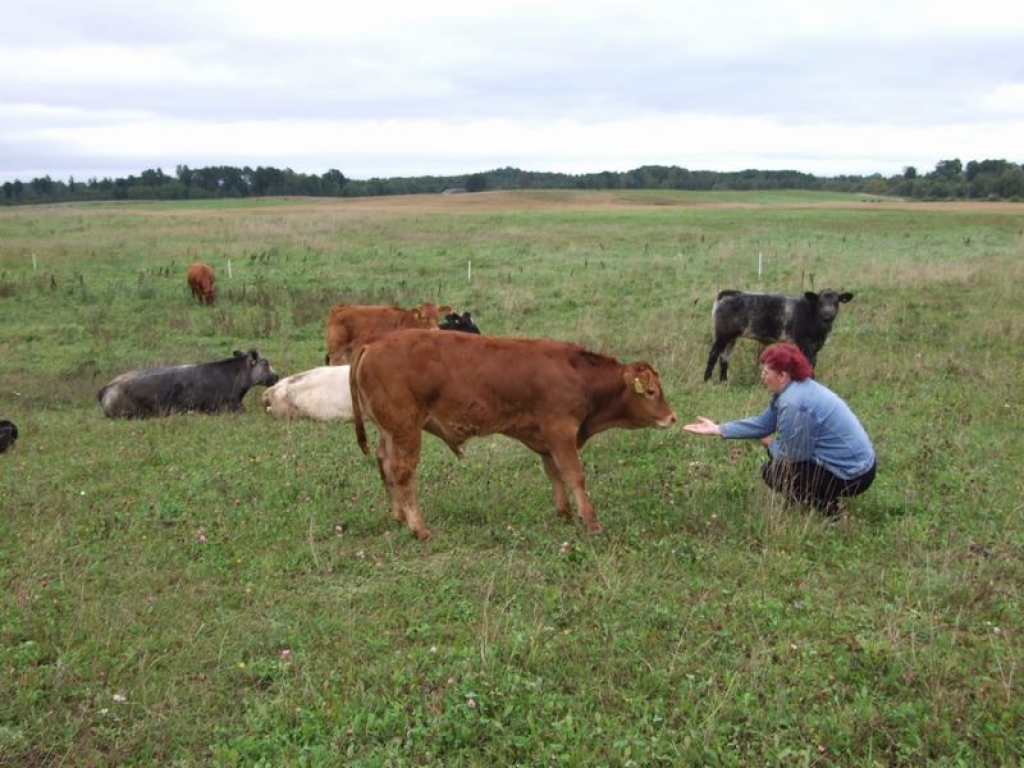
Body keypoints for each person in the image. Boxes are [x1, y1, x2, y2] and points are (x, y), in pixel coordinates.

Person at [683, 342, 876, 516]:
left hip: (855, 475)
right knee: (782, 468)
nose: (762, 377)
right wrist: (719, 429)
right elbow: (763, 424)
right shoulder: (795, 387)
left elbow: (793, 456)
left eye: (766, 372)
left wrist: (769, 444)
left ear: (783, 375)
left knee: (774, 472)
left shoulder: (795, 403)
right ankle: (823, 501)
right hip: (861, 465)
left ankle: (830, 513)